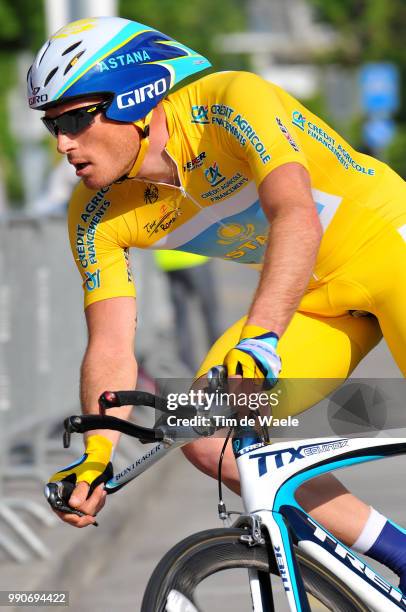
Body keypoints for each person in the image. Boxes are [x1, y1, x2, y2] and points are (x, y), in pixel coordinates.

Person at [28, 17, 406, 589]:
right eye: (52, 125)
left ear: (136, 94)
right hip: (315, 300)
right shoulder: (95, 212)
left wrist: (260, 337)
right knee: (204, 432)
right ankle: (400, 555)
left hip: (388, 246)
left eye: (76, 118)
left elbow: (296, 215)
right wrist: (98, 452)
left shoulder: (230, 102)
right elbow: (109, 341)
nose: (63, 144)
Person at [154, 250, 221, 373]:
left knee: (182, 321)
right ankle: (220, 362)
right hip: (194, 255)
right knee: (211, 315)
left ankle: (188, 372)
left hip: (168, 261)